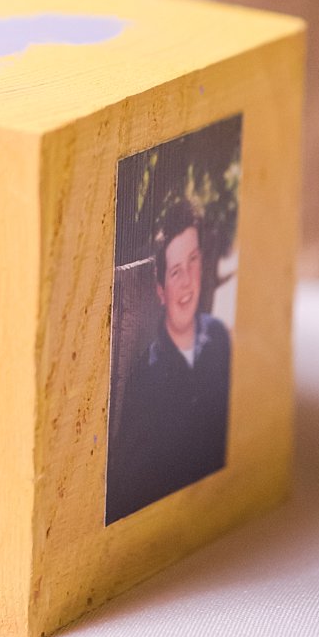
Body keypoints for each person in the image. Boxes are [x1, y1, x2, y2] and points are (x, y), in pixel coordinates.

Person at [107, 201, 233, 521]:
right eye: (176, 272)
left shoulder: (218, 339)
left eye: (193, 261)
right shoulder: (145, 377)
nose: (188, 281)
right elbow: (128, 493)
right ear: (160, 290)